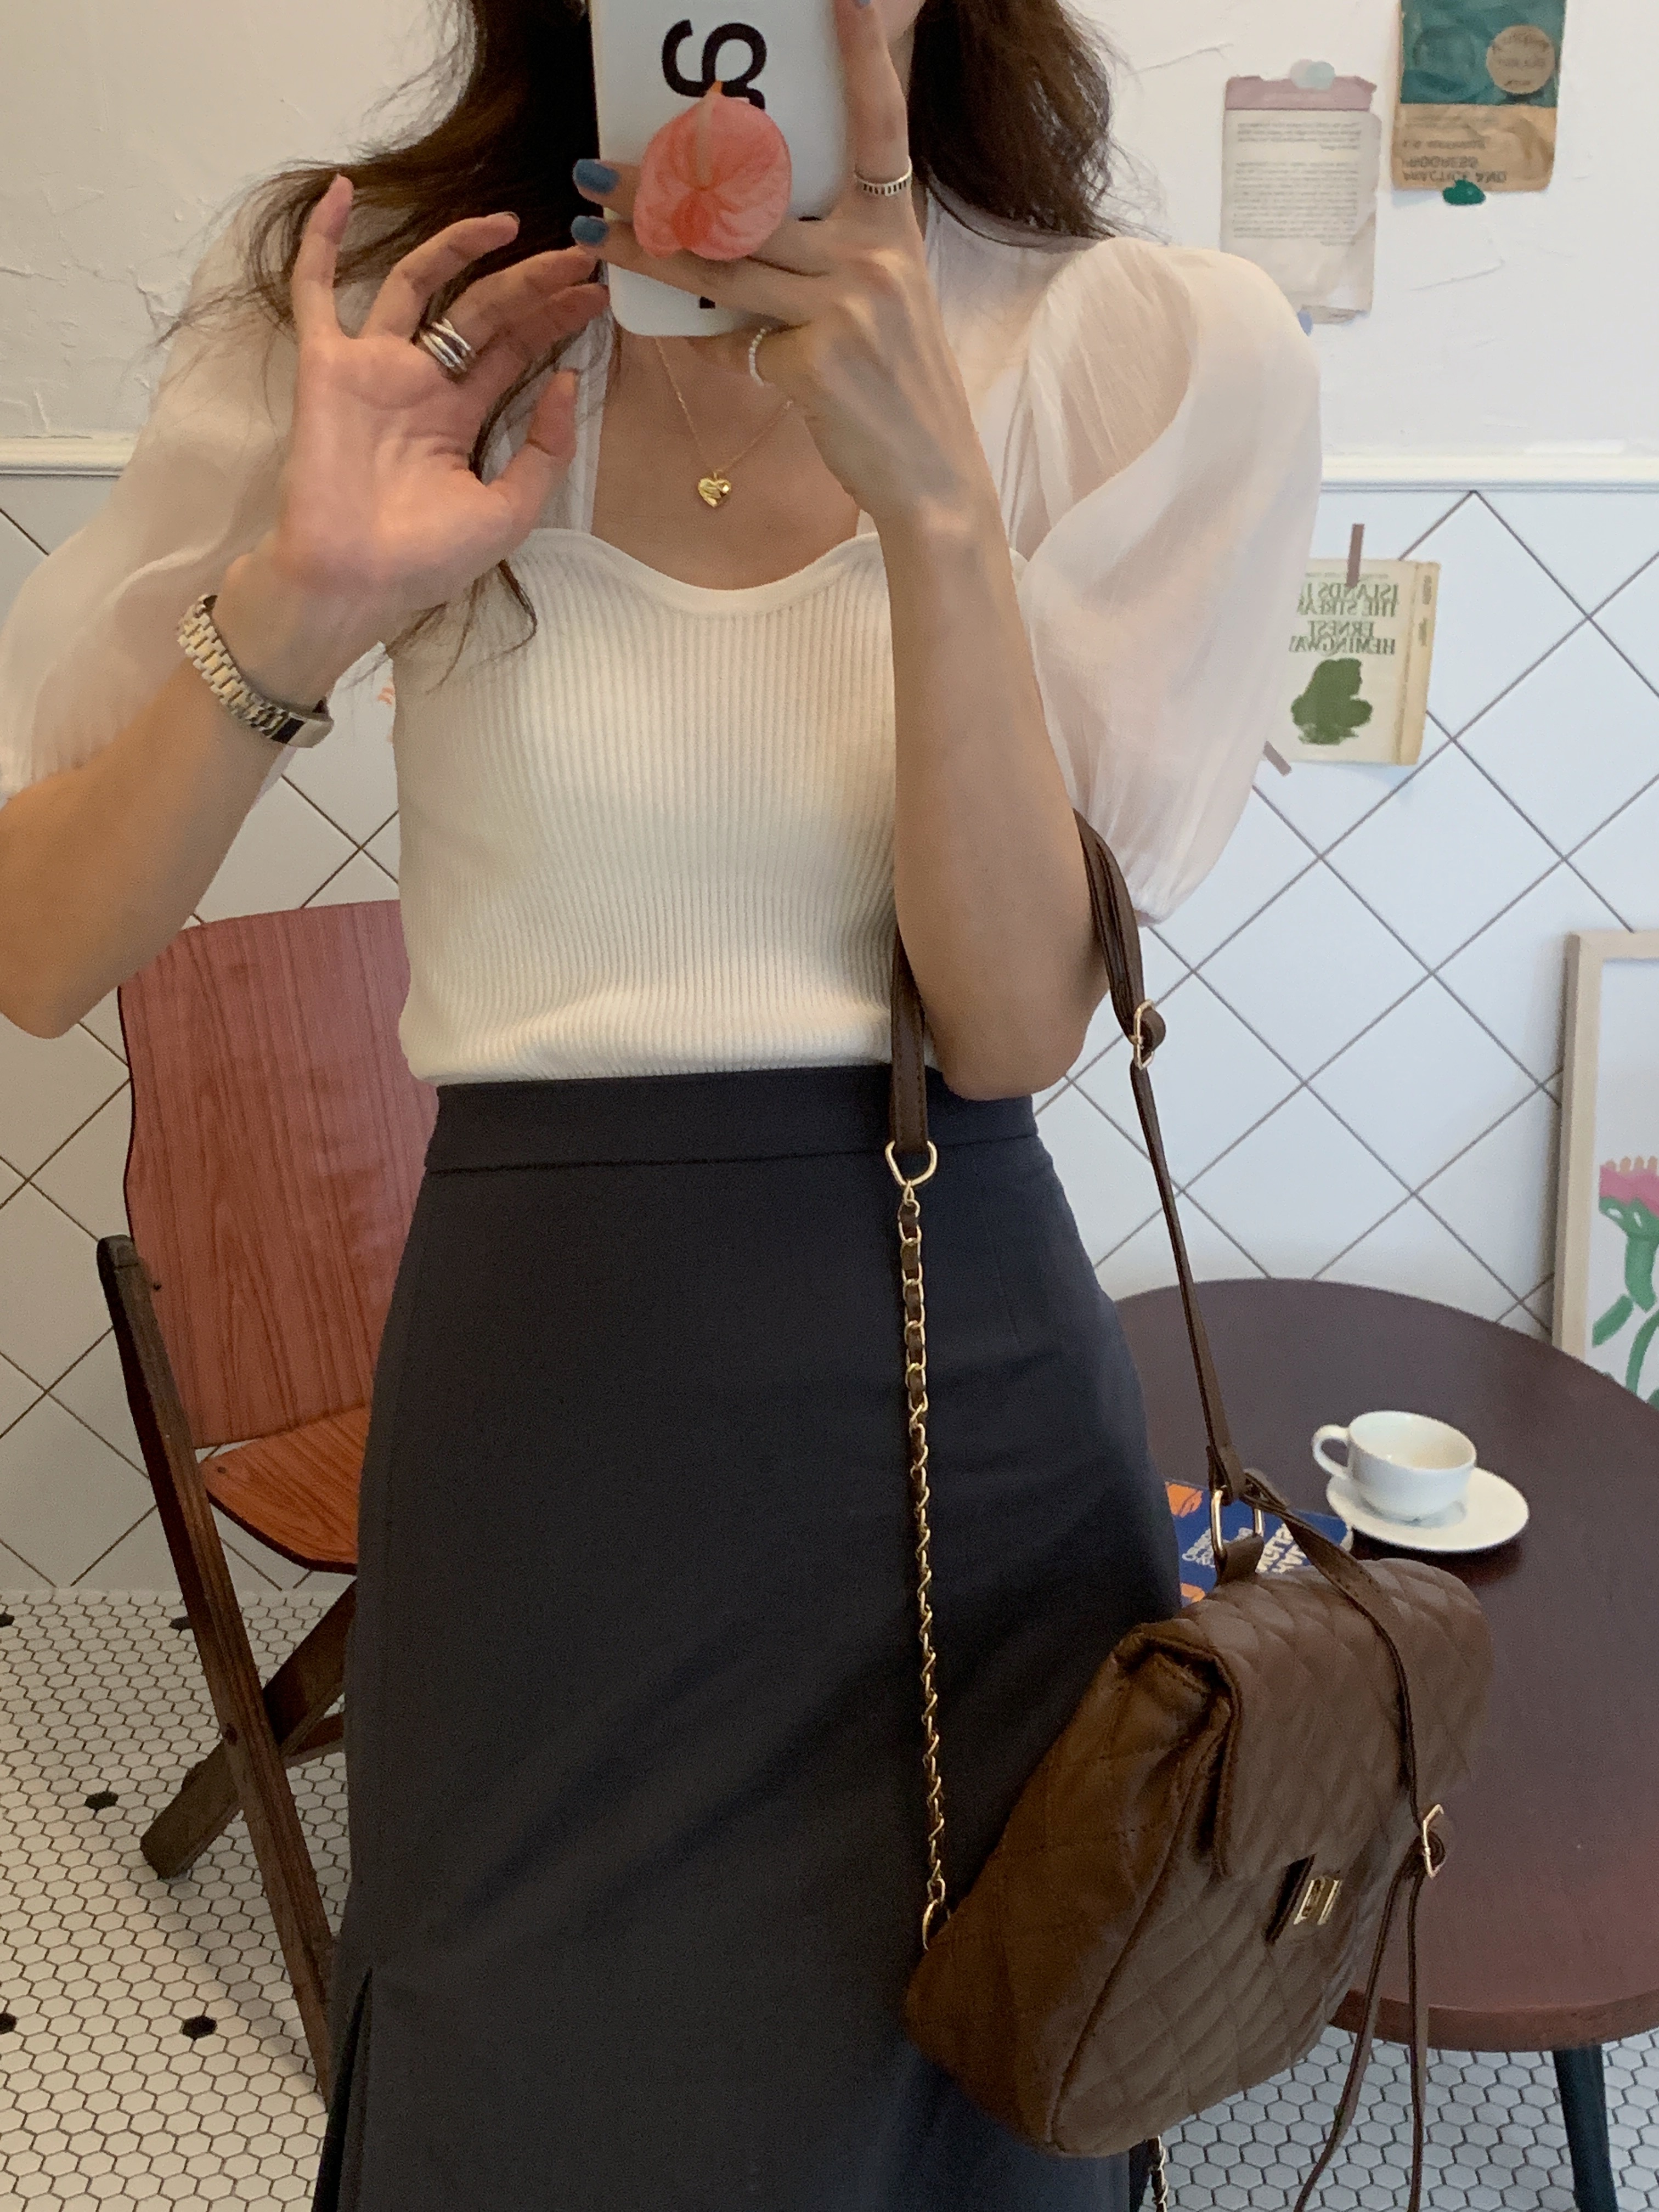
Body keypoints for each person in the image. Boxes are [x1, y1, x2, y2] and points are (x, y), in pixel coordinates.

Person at [0, 0, 1319, 2203]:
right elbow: (40, 949)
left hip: (960, 1447)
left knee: (949, 2112)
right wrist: (306, 599)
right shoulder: (384, 310)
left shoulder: (1146, 350)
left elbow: (1011, 1024)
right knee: (522, 2100)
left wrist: (936, 507)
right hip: (545, 1450)